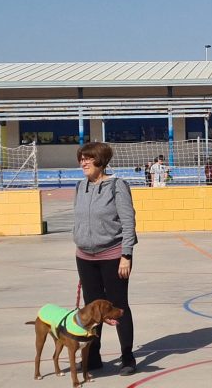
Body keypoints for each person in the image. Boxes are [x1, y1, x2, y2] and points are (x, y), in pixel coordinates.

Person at [73, 142, 138, 376]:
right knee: (92, 309)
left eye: (88, 159)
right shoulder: (80, 186)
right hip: (85, 257)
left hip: (113, 255)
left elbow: (128, 221)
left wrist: (126, 255)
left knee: (118, 306)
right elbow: (79, 219)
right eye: (81, 159)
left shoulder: (117, 185)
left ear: (101, 161)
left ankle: (128, 357)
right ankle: (93, 357)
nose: (83, 163)